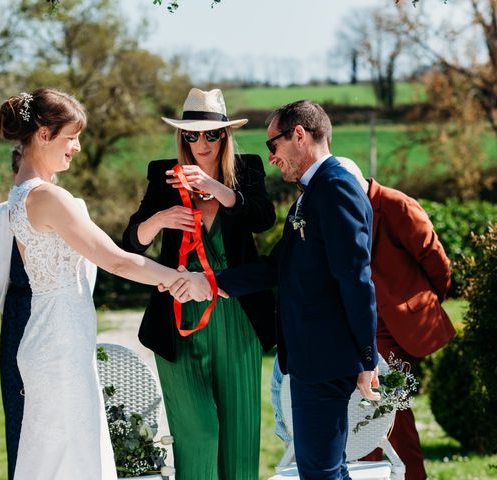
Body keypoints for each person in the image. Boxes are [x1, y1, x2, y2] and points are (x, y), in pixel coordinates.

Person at [0, 87, 211, 480]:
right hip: (58, 345)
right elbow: (114, 258)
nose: (77, 147)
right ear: (42, 134)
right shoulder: (48, 198)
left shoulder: (20, 195)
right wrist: (180, 280)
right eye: (71, 136)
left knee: (59, 459)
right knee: (70, 461)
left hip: (55, 338)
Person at [172, 100, 382, 480]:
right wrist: (213, 283)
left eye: (273, 145)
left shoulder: (335, 189)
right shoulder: (314, 191)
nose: (271, 158)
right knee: (324, 470)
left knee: (321, 472)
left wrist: (367, 358)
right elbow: (277, 265)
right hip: (310, 358)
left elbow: (356, 278)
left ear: (299, 135)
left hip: (325, 357)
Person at [122, 87, 277, 480]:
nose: (201, 143)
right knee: (200, 435)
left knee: (240, 440)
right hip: (177, 316)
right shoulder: (164, 174)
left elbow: (263, 218)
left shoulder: (247, 168)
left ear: (224, 135)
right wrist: (160, 220)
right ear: (181, 136)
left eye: (211, 134)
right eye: (192, 135)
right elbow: (130, 241)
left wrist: (220, 191)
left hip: (236, 314)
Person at [338, 157, 454, 480]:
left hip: (399, 329)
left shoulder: (397, 205)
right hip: (361, 329)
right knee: (366, 414)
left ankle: (409, 475)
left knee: (391, 415)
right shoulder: (339, 213)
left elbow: (437, 262)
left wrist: (420, 305)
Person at [0, 145, 97, 480]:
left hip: (58, 311)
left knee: (57, 411)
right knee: (18, 407)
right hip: (17, 309)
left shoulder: (73, 206)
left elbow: (87, 267)